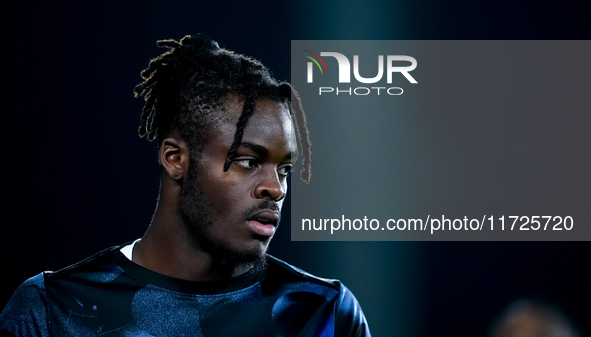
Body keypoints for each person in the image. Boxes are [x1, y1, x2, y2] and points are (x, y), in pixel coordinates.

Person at [0, 34, 371, 336]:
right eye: (248, 161)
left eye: (285, 169)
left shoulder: (323, 313)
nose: (276, 189)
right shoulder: (51, 310)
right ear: (176, 159)